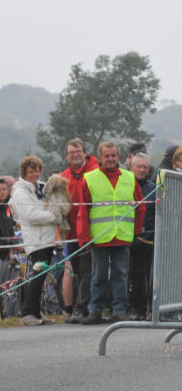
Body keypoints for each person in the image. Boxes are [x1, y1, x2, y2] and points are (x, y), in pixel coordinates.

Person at [77, 141, 145, 324]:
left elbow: (140, 206)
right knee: (98, 275)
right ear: (100, 157)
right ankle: (95, 310)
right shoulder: (90, 178)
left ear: (119, 157)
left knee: (121, 275)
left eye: (113, 155)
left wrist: (136, 230)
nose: (110, 159)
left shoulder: (129, 178)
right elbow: (83, 210)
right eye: (106, 156)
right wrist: (84, 236)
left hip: (122, 236)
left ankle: (119, 310)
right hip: (99, 237)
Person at [9, 156, 62, 326]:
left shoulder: (40, 187)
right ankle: (28, 314)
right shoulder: (19, 192)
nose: (35, 174)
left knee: (42, 278)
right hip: (36, 240)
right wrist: (55, 218)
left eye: (37, 171)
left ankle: (36, 313)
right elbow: (30, 216)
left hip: (48, 239)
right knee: (36, 277)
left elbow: (55, 203)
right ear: (24, 173)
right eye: (31, 171)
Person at [60, 138, 100, 323]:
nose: (75, 155)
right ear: (67, 156)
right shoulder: (64, 176)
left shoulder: (94, 171)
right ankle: (79, 307)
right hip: (71, 233)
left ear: (85, 152)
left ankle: (80, 308)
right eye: (71, 152)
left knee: (86, 271)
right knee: (75, 272)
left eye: (78, 151)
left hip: (89, 231)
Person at [127, 152, 156, 320]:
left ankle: (140, 308)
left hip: (145, 239)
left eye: (145, 167)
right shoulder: (125, 184)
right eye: (139, 166)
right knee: (125, 274)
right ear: (132, 167)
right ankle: (125, 306)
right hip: (124, 236)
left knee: (141, 276)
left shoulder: (153, 188)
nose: (143, 170)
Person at [0, 178, 15, 280]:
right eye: (0, 189)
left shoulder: (7, 206)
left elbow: (10, 228)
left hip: (6, 253)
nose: (2, 192)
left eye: (4, 189)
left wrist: (12, 248)